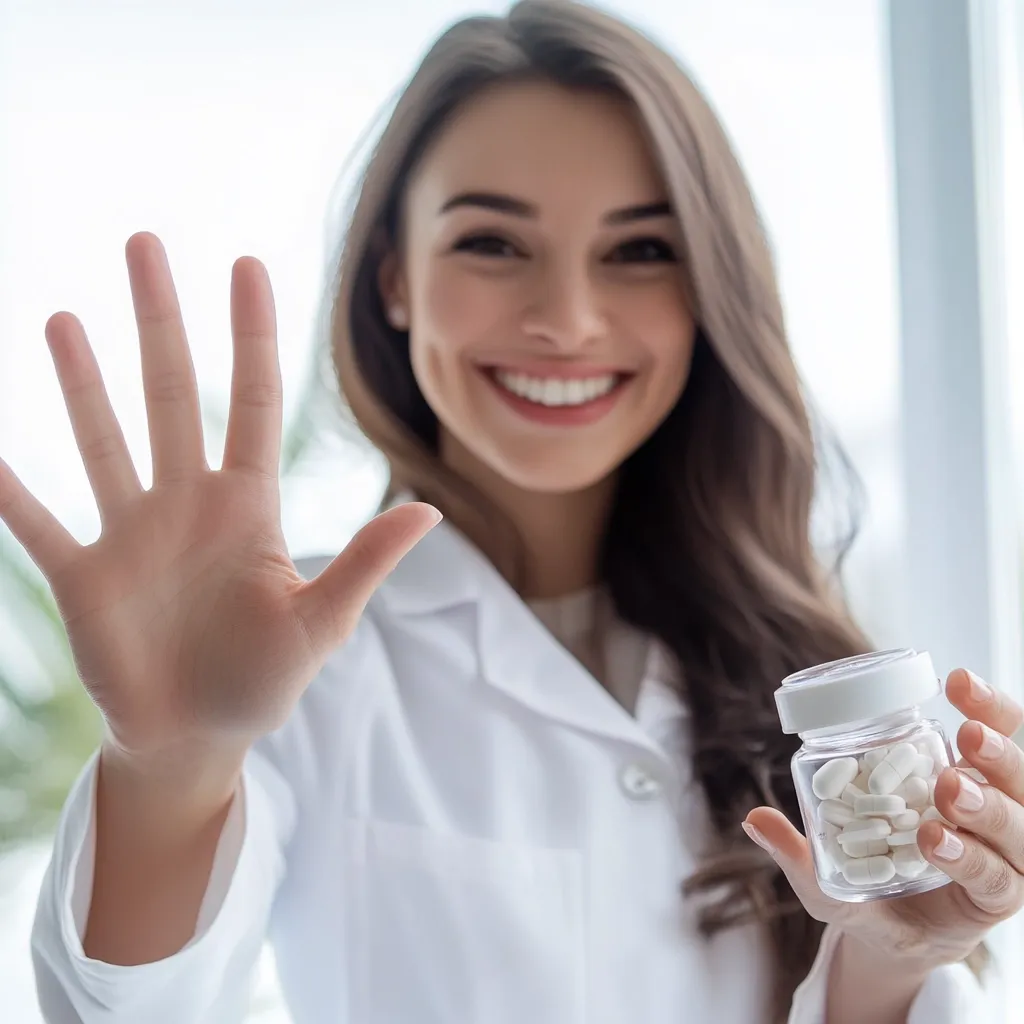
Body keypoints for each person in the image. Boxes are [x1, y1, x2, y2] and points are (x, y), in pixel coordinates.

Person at [5, 1, 1021, 1021]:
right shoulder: (295, 659)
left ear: (709, 290)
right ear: (394, 278)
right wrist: (171, 761)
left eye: (639, 252)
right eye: (492, 242)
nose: (566, 320)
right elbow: (119, 1008)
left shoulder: (799, 671)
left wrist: (885, 961)